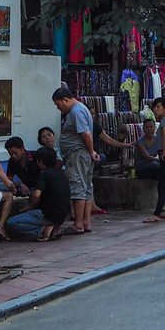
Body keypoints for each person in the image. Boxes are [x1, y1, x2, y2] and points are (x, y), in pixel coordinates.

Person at [53, 88, 101, 233]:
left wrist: (91, 151)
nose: (58, 108)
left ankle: (78, 223)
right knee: (86, 187)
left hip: (77, 153)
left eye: (58, 104)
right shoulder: (82, 109)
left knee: (78, 187)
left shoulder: (76, 111)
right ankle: (86, 222)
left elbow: (85, 134)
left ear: (65, 100)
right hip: (81, 153)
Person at [4, 148, 71, 241]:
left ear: (40, 161)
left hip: (47, 214)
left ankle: (43, 230)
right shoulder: (61, 174)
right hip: (62, 214)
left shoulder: (44, 174)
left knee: (11, 223)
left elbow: (36, 194)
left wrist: (30, 206)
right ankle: (53, 227)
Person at [139, 98, 165, 223]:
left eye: (158, 107)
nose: (156, 109)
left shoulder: (164, 121)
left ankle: (157, 214)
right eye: (155, 107)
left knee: (163, 184)